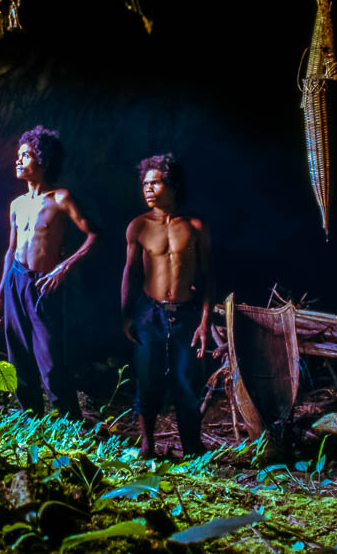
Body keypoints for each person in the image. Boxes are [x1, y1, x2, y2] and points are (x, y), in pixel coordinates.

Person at [0, 126, 98, 418]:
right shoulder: (17, 205)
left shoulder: (60, 198)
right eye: (18, 155)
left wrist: (64, 266)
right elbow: (11, 251)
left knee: (49, 358)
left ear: (44, 161)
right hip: (16, 279)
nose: (19, 160)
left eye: (26, 155)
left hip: (43, 285)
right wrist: (0, 295)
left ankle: (69, 423)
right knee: (17, 355)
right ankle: (31, 419)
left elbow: (93, 236)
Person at [121, 153, 214, 459]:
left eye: (155, 183)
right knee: (148, 382)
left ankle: (192, 448)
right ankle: (147, 446)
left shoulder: (196, 227)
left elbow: (207, 277)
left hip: (186, 314)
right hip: (149, 313)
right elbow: (130, 273)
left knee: (187, 384)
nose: (148, 189)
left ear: (172, 185)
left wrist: (204, 323)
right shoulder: (138, 226)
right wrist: (126, 315)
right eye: (145, 184)